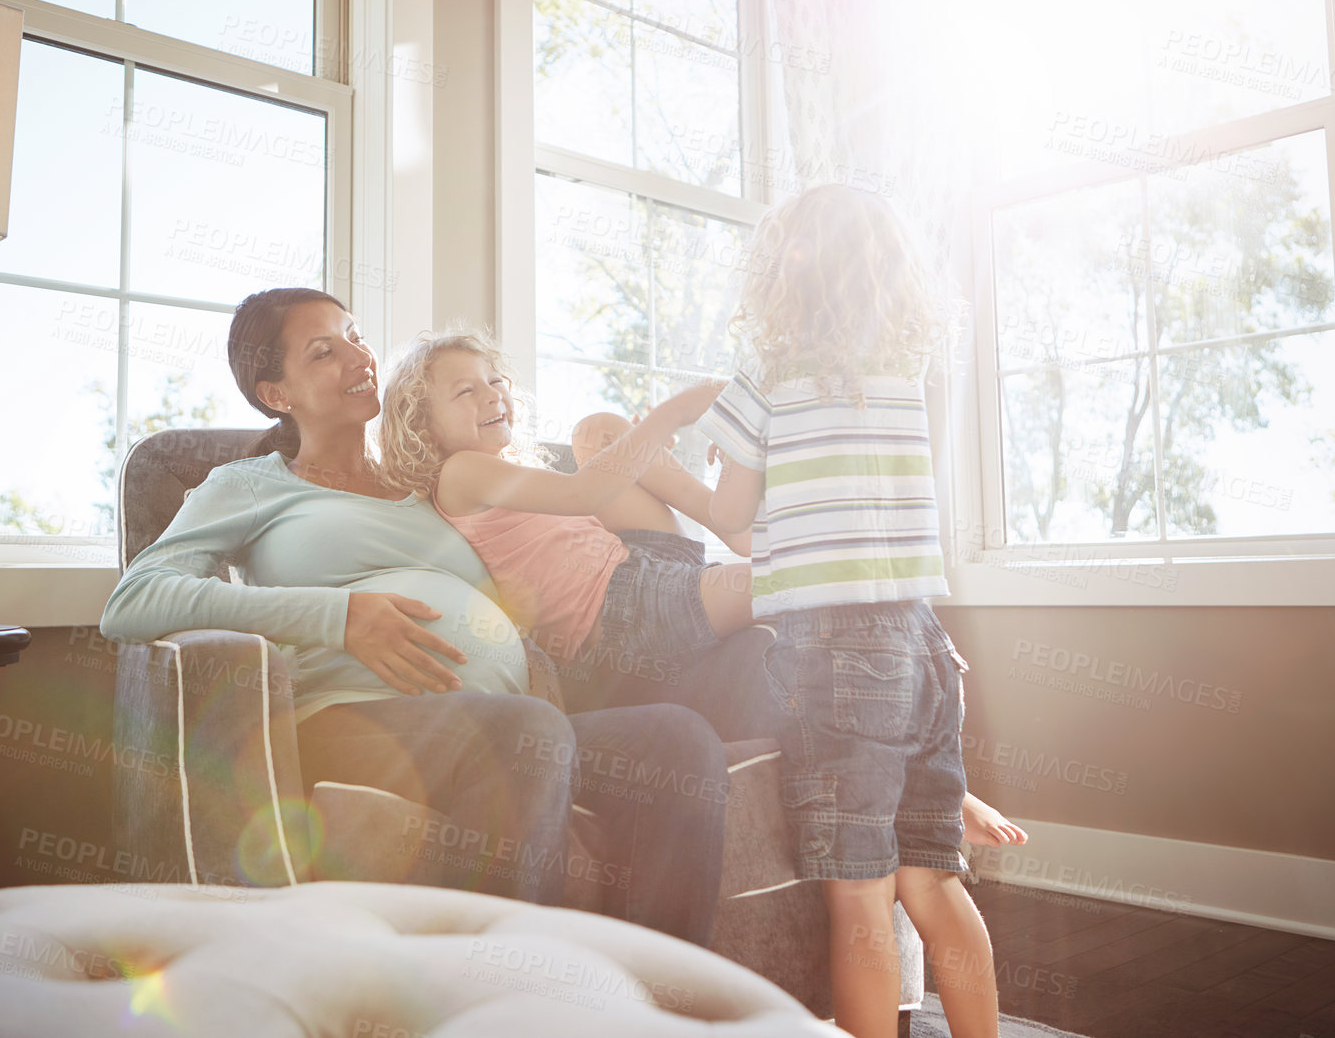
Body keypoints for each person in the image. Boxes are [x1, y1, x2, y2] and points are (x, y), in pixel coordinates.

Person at [99, 288, 727, 947]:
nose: (357, 356)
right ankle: (498, 1005)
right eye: (323, 351)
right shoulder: (252, 484)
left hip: (510, 716)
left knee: (675, 741)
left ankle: (659, 999)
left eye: (355, 334)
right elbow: (137, 601)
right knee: (518, 736)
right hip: (351, 720)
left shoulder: (430, 484)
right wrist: (337, 616)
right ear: (276, 393)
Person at [698, 185, 1000, 1038]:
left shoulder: (766, 376)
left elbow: (730, 520)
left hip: (835, 650)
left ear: (786, 266)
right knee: (934, 885)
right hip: (926, 644)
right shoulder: (901, 374)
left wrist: (690, 467)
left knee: (860, 898)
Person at [376, 329, 755, 713]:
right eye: (465, 391)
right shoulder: (461, 472)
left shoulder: (510, 468)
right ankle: (749, 531)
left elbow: (593, 507)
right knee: (781, 580)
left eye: (493, 381)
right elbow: (583, 493)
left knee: (597, 431)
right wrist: (673, 413)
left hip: (644, 566)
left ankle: (734, 525)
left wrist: (642, 455)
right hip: (622, 610)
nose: (491, 394)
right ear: (423, 427)